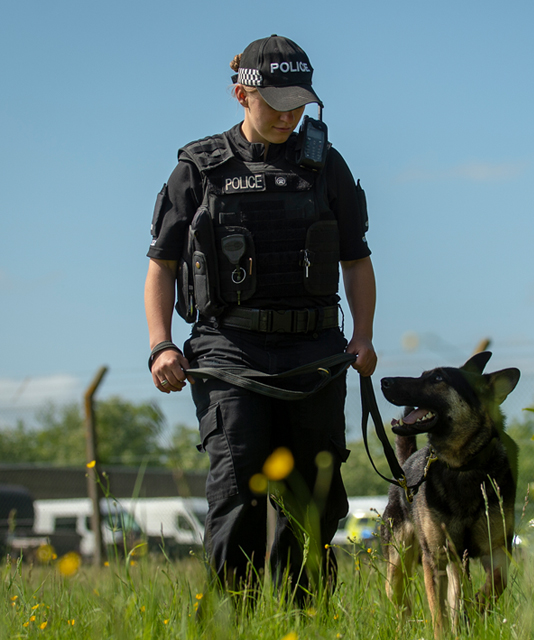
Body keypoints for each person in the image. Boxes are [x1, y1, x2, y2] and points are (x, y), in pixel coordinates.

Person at [144, 34, 377, 604]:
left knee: (314, 504)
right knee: (239, 496)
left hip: (315, 353)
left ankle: (306, 618)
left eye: (298, 102)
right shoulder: (198, 168)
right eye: (275, 101)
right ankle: (234, 620)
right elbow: (162, 266)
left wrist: (364, 337)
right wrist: (161, 345)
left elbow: (357, 258)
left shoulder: (326, 164)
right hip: (229, 354)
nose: (288, 114)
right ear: (241, 94)